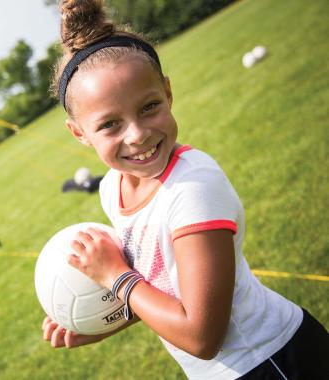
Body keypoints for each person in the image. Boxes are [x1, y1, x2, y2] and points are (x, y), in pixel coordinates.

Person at [41, 1, 329, 379]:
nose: (138, 134)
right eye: (110, 124)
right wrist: (100, 325)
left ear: (168, 92)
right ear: (79, 133)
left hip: (273, 360)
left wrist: (115, 277)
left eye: (148, 107)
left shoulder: (192, 189)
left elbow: (201, 336)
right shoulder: (113, 188)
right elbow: (167, 294)